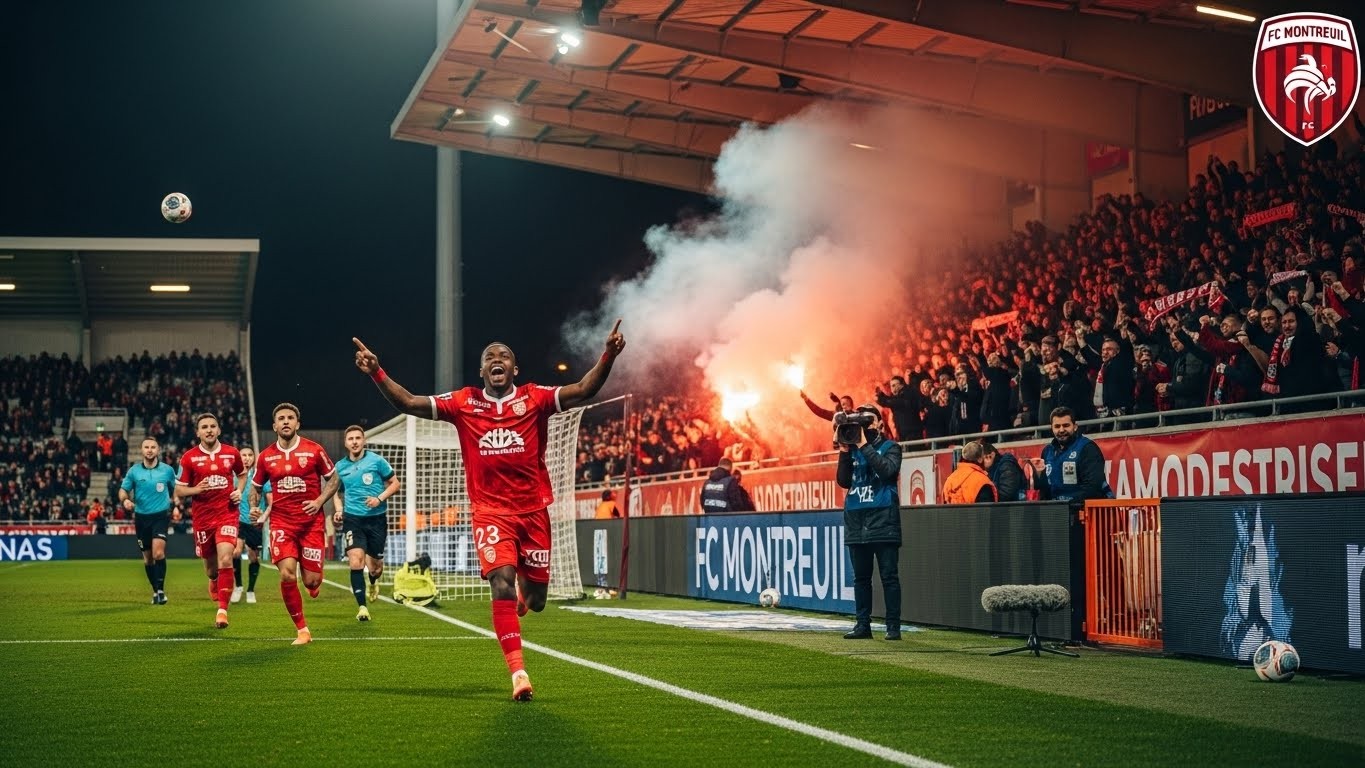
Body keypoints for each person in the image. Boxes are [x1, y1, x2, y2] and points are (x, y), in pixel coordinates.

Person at [353, 322, 625, 701]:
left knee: (536, 602)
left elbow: (583, 389)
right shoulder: (464, 402)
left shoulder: (535, 398)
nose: (497, 360)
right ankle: (519, 673)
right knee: (501, 580)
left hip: (533, 513)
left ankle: (523, 599)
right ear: (481, 370)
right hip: (490, 512)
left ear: (515, 368)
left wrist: (608, 354)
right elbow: (410, 402)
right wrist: (376, 372)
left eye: (504, 356)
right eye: (489, 357)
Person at [249, 403, 340, 645]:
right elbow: (255, 488)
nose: (286, 421)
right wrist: (254, 507)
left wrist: (319, 501)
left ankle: (313, 581)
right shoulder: (266, 456)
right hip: (282, 524)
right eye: (281, 418)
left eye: (290, 418)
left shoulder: (314, 450)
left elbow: (334, 479)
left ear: (297, 423)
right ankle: (302, 630)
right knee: (287, 574)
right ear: (275, 426)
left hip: (311, 525)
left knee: (311, 581)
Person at [834, 404, 902, 641]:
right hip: (856, 520)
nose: (862, 428)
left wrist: (864, 445)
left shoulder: (891, 447)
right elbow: (843, 481)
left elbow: (887, 471)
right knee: (861, 579)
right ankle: (863, 624)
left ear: (879, 424)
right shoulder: (852, 449)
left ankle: (893, 626)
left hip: (883, 520)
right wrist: (844, 450)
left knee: (889, 577)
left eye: (867, 421)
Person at [174, 413, 246, 629]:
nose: (209, 430)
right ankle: (214, 580)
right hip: (203, 519)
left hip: (227, 514)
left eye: (213, 426)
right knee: (211, 570)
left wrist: (239, 491)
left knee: (226, 558)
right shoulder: (188, 458)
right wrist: (197, 489)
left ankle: (222, 611)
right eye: (204, 427)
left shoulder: (232, 453)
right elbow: (179, 490)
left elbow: (242, 474)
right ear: (198, 432)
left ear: (219, 430)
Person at [332, 424, 400, 622]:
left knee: (375, 568)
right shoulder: (340, 467)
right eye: (350, 439)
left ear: (364, 441)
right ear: (346, 443)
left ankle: (372, 582)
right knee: (355, 561)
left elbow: (395, 483)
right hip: (353, 520)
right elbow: (334, 492)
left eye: (357, 438)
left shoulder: (377, 461)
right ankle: (362, 607)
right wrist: (339, 510)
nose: (354, 442)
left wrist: (379, 498)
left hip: (377, 519)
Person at [119, 436, 177, 604]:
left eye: (153, 447)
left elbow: (176, 490)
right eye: (146, 447)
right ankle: (155, 591)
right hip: (141, 518)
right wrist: (125, 500)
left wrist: (177, 505)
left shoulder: (167, 470)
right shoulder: (134, 471)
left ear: (158, 450)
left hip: (161, 516)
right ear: (142, 450)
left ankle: (161, 591)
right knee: (148, 558)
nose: (150, 450)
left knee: (158, 553)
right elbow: (123, 490)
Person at [1028, 407, 1113, 505]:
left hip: (1087, 509)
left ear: (1075, 427)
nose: (1061, 430)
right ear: (1052, 428)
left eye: (1066, 425)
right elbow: (1045, 492)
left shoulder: (1087, 448)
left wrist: (1067, 505)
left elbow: (1093, 488)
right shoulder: (1047, 451)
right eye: (1057, 426)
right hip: (1059, 510)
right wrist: (1039, 475)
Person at [231, 446, 270, 605]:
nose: (246, 458)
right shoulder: (234, 477)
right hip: (238, 520)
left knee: (253, 557)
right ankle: (238, 586)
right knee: (235, 552)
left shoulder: (260, 477)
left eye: (249, 455)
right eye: (243, 455)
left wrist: (263, 517)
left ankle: (250, 590)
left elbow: (271, 501)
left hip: (254, 522)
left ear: (254, 458)